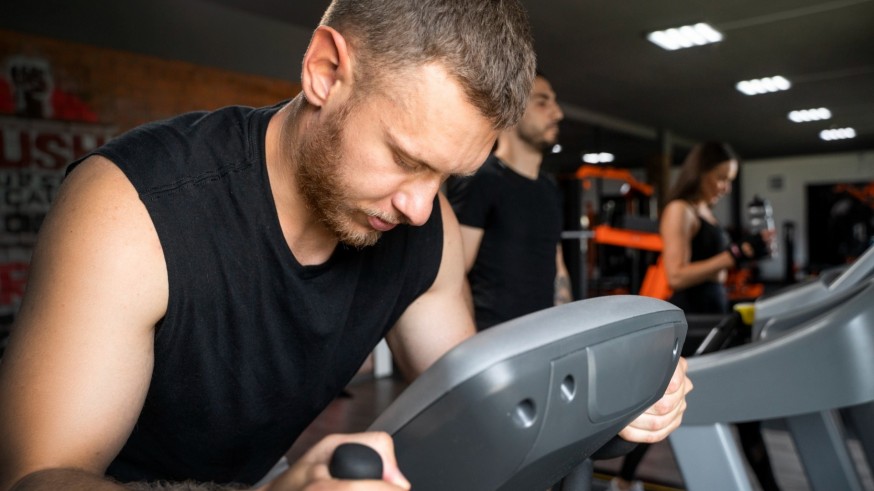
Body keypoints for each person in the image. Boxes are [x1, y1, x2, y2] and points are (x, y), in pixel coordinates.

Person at [0, 2, 692, 490]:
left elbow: (485, 407)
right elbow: (36, 477)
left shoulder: (425, 229)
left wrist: (617, 398)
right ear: (326, 72)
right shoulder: (132, 209)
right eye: (404, 156)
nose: (423, 206)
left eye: (448, 177)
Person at [610, 142, 776, 491]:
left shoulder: (706, 212)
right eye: (719, 178)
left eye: (729, 180)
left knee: (742, 413)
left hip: (715, 315)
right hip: (694, 320)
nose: (725, 188)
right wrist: (733, 255)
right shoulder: (679, 210)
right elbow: (677, 274)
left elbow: (717, 265)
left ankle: (624, 481)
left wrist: (746, 252)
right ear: (700, 173)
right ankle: (624, 481)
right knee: (668, 403)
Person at [446, 72, 572, 330]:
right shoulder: (482, 179)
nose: (557, 113)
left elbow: (557, 265)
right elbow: (454, 275)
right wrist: (472, 344)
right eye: (542, 102)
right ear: (512, 110)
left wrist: (566, 328)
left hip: (544, 337)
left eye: (554, 102)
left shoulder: (549, 188)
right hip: (496, 341)